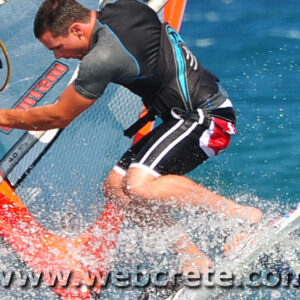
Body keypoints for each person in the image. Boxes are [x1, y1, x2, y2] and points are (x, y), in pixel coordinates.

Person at [0, 0, 261, 275]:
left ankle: (242, 217)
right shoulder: (124, 7)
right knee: (116, 188)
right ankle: (192, 257)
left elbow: (57, 117)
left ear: (77, 30)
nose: (58, 57)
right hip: (182, 117)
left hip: (205, 116)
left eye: (57, 47)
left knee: (139, 184)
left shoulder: (102, 58)